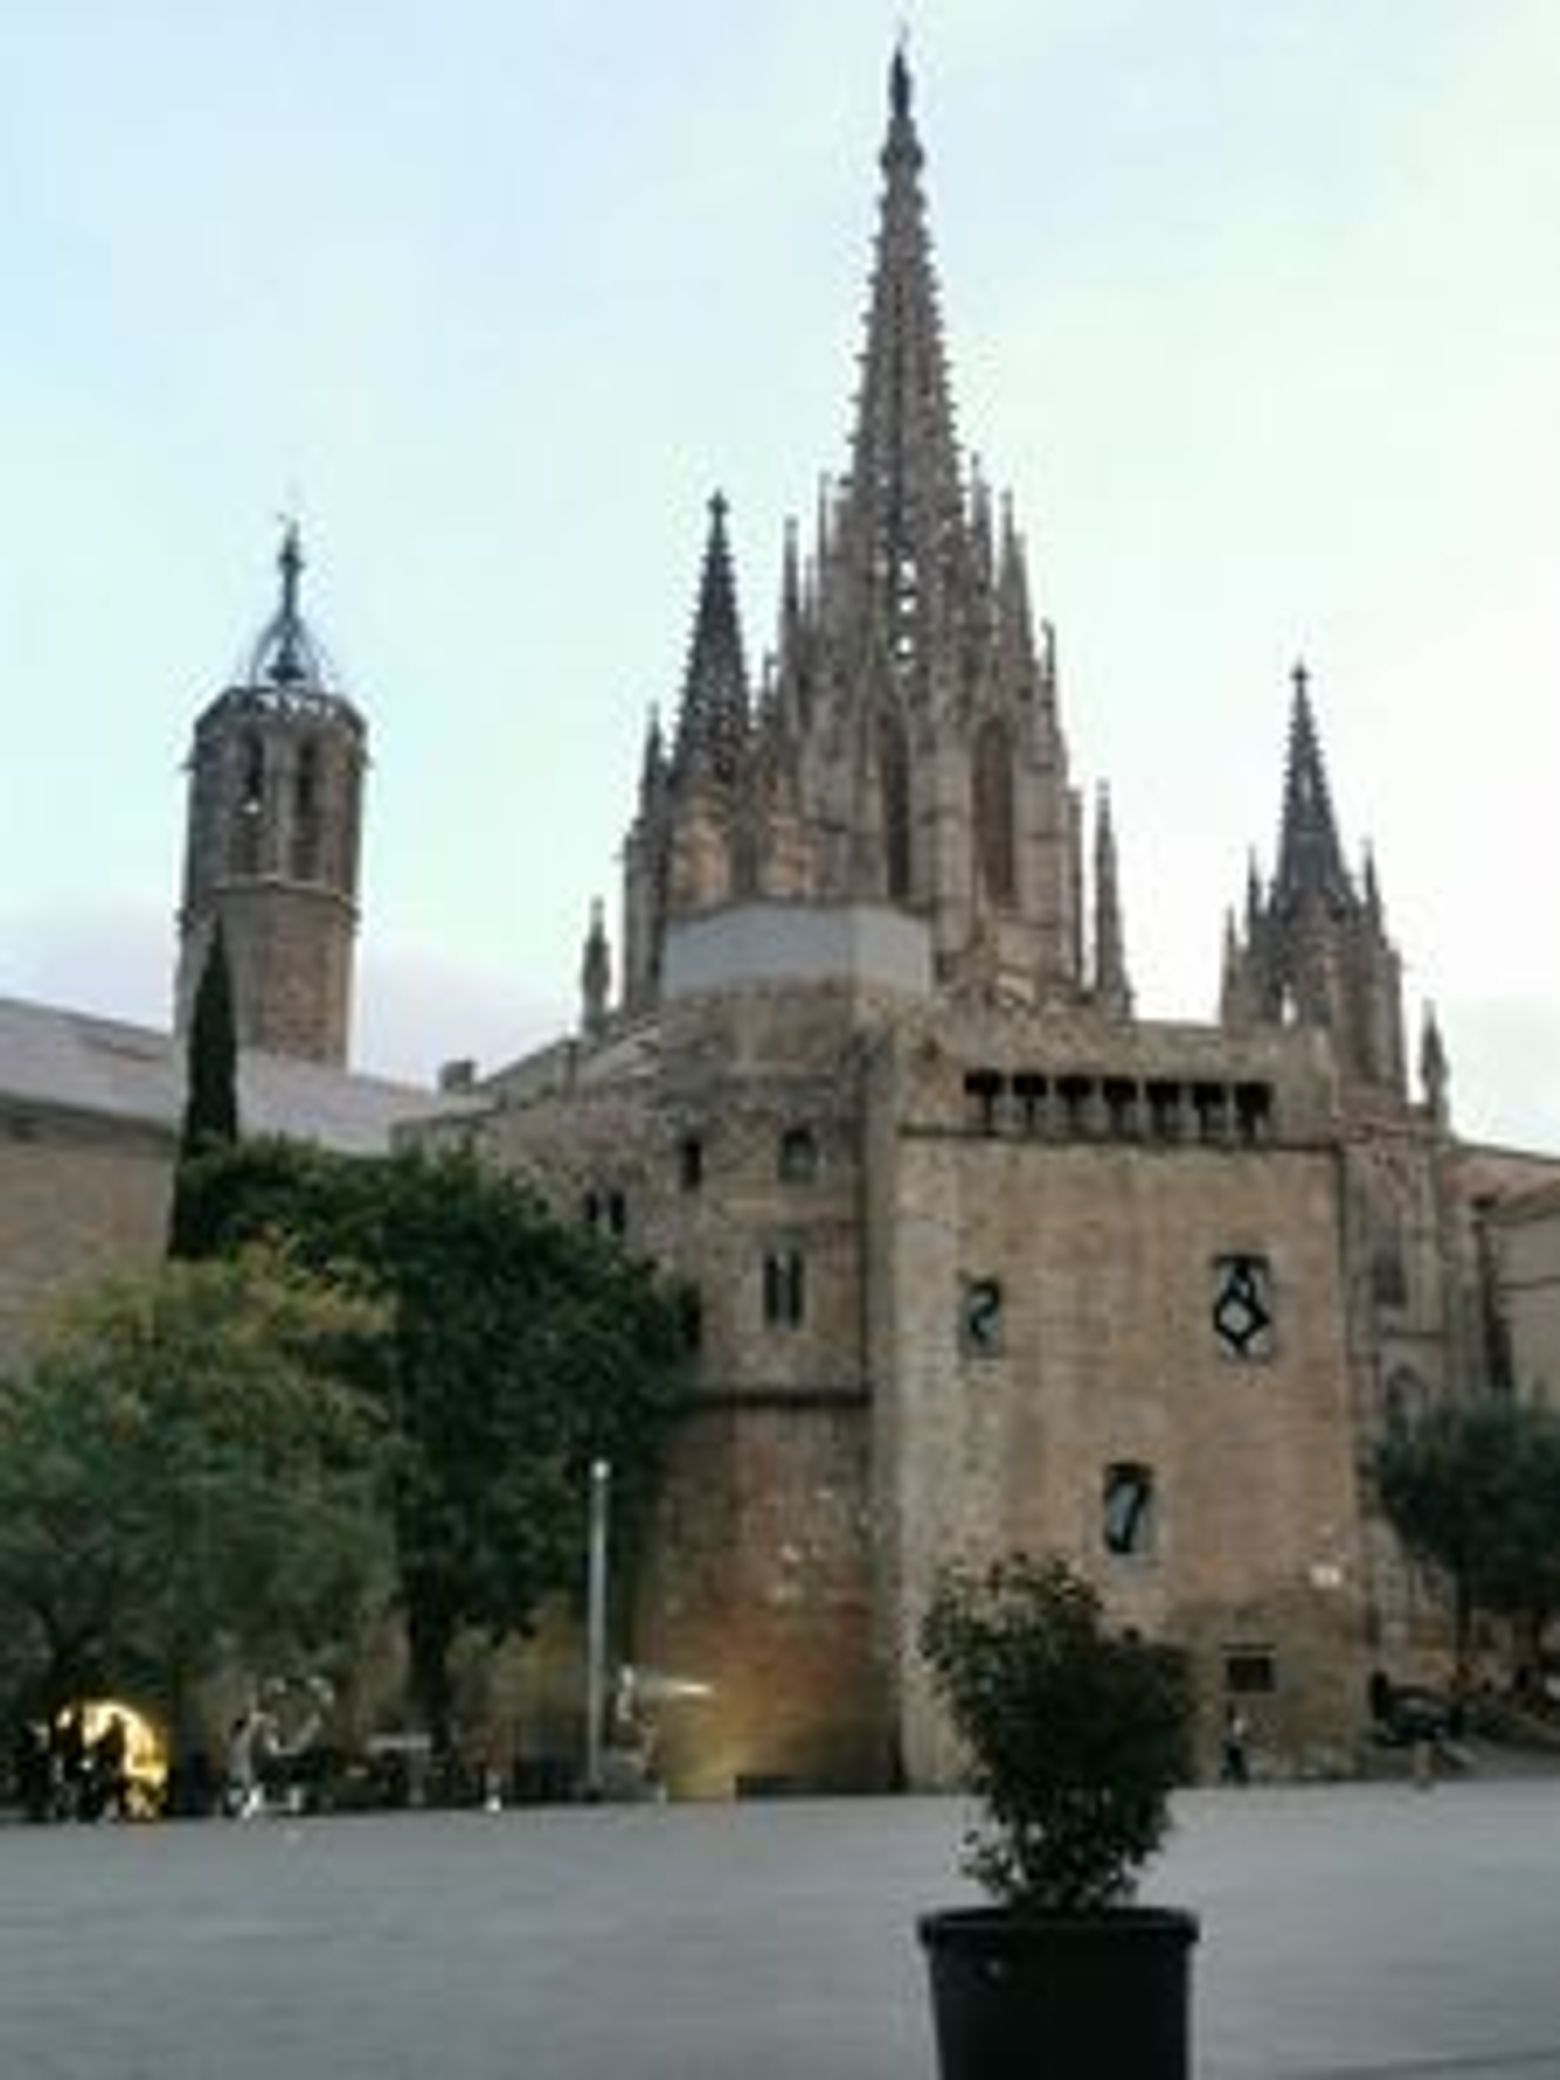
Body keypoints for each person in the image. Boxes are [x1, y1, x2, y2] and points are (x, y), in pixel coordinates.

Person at [1220, 1703, 1252, 1786]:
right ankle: (1230, 1780)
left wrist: (1244, 1739)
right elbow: (1225, 1737)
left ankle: (1242, 1780)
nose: (1228, 1716)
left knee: (1236, 1764)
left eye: (1230, 1714)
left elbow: (1244, 1734)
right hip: (1232, 1747)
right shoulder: (1228, 1724)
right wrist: (1224, 1743)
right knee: (1231, 1764)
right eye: (1228, 1714)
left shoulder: (1237, 1723)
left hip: (1237, 1747)